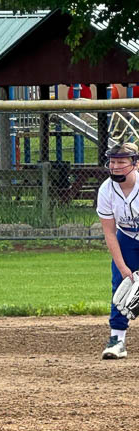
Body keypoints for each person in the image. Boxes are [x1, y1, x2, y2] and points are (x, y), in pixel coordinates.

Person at [97, 142, 139, 359]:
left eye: (122, 162)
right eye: (113, 162)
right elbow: (110, 232)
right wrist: (124, 269)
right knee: (121, 287)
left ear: (136, 165)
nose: (115, 166)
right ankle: (117, 340)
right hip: (127, 237)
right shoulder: (106, 189)